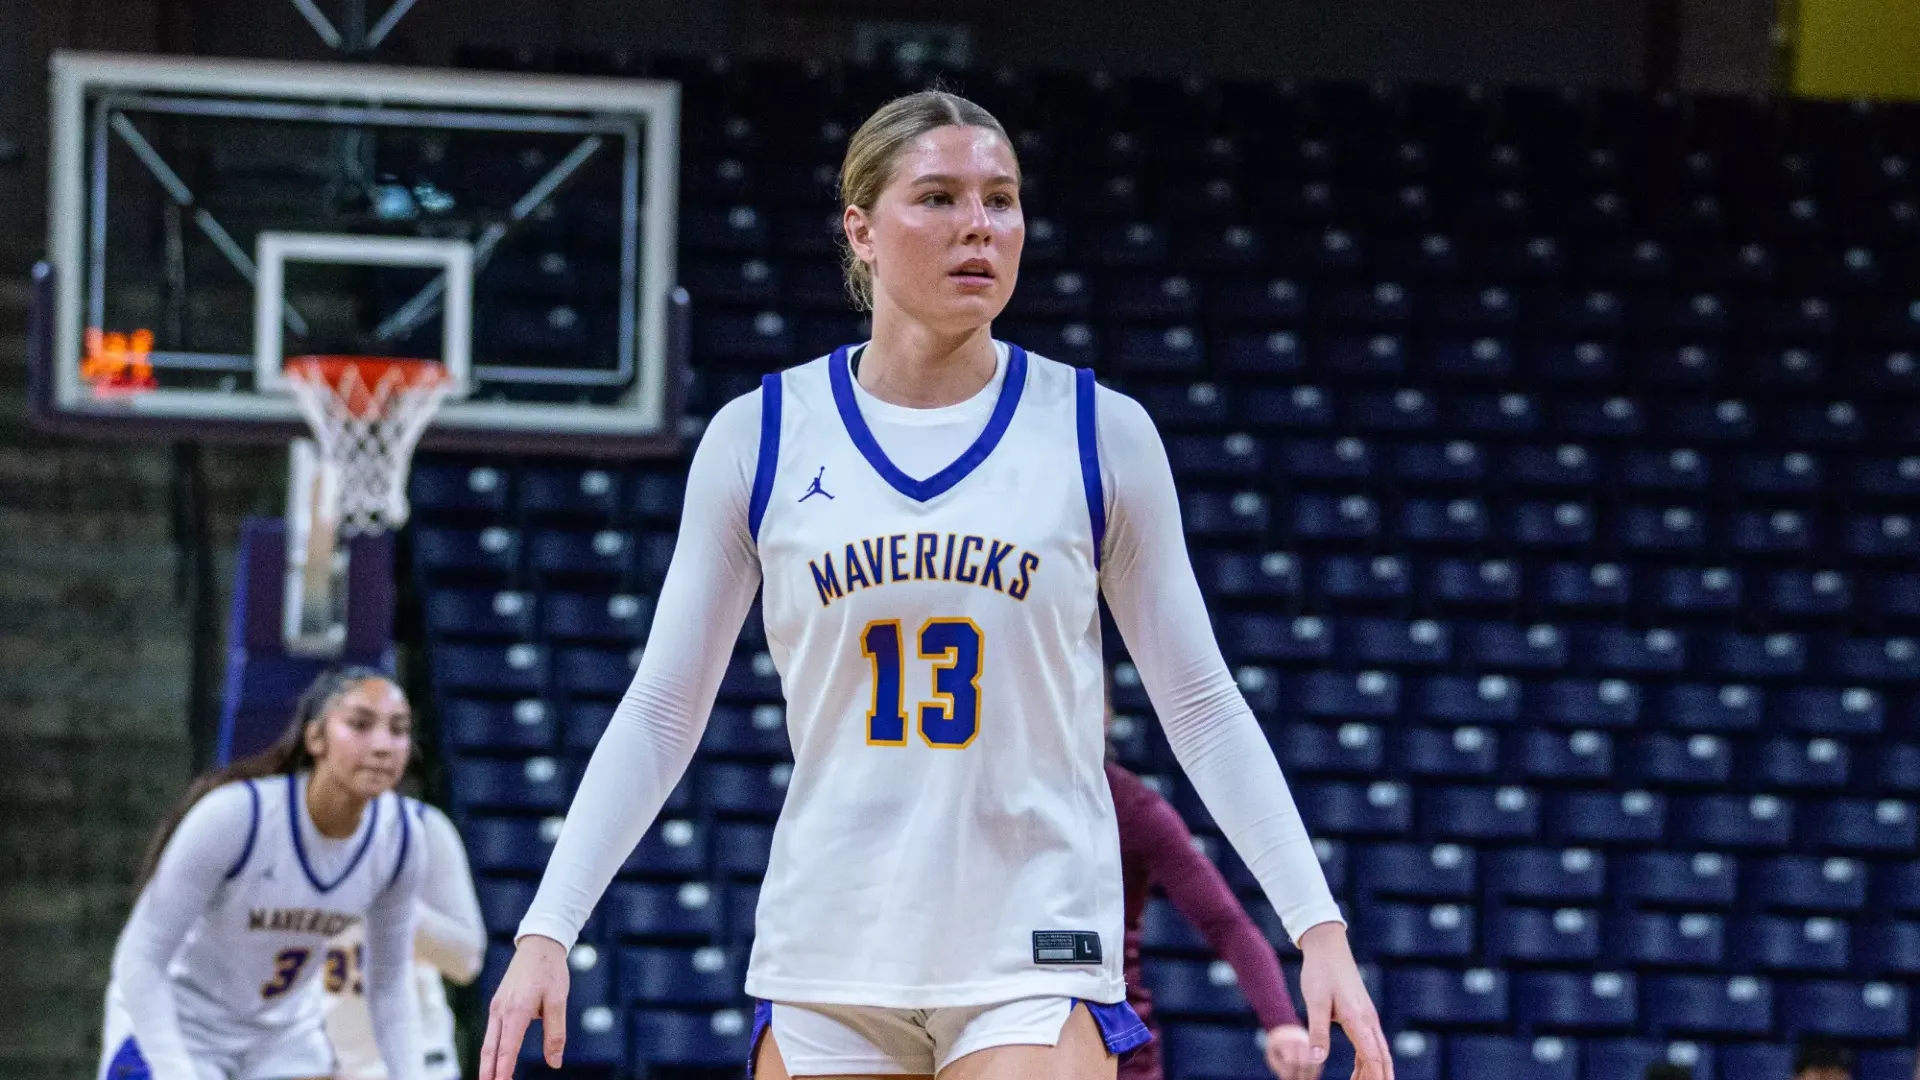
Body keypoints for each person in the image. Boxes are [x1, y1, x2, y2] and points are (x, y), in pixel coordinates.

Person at [480, 88, 1391, 1080]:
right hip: (832, 942)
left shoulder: (1099, 430)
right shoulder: (761, 436)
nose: (979, 226)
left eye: (1001, 199)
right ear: (861, 231)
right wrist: (548, 927)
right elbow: (662, 711)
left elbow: (1203, 706)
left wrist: (1318, 927)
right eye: (939, 197)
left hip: (1034, 944)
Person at [100, 666, 425, 1080]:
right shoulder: (237, 815)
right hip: (177, 1025)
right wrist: (175, 1070)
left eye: (398, 730)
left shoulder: (402, 837)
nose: (383, 745)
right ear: (315, 738)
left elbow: (390, 985)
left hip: (280, 1041)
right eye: (360, 725)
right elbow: (139, 960)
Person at [1106, 755, 1318, 1080]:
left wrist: (1281, 1021)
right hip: (1023, 1019)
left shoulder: (1131, 805)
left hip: (1118, 1040)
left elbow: (1226, 924)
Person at [323, 799, 486, 1080]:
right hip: (323, 1065)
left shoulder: (422, 825)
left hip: (421, 1065)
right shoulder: (281, 829)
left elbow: (467, 961)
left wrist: (394, 898)